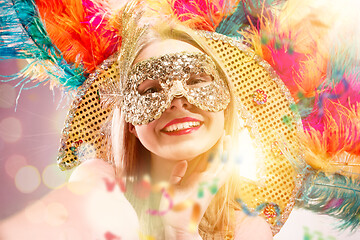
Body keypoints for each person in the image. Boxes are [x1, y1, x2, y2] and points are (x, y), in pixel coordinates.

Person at [1, 0, 359, 239]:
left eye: (198, 80)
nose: (177, 100)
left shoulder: (249, 227)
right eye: (150, 89)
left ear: (228, 106)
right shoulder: (100, 182)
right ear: (128, 119)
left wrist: (183, 228)